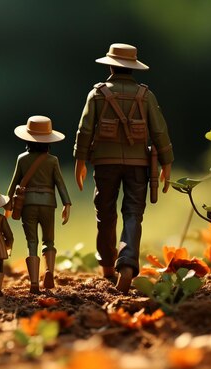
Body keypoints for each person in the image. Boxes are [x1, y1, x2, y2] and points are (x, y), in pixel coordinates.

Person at [73, 43, 174, 294]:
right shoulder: (146, 95)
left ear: (110, 65)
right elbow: (159, 130)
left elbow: (85, 130)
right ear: (133, 67)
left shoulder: (97, 94)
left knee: (104, 212)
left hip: (105, 163)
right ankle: (127, 263)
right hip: (138, 164)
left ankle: (107, 264)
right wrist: (167, 162)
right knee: (133, 213)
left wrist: (80, 161)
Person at [6, 115, 71, 293]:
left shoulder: (22, 159)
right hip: (49, 204)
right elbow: (60, 183)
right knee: (48, 240)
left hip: (28, 204)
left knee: (31, 241)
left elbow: (13, 184)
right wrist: (67, 203)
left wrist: (7, 204)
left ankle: (34, 282)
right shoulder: (52, 160)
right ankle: (49, 271)